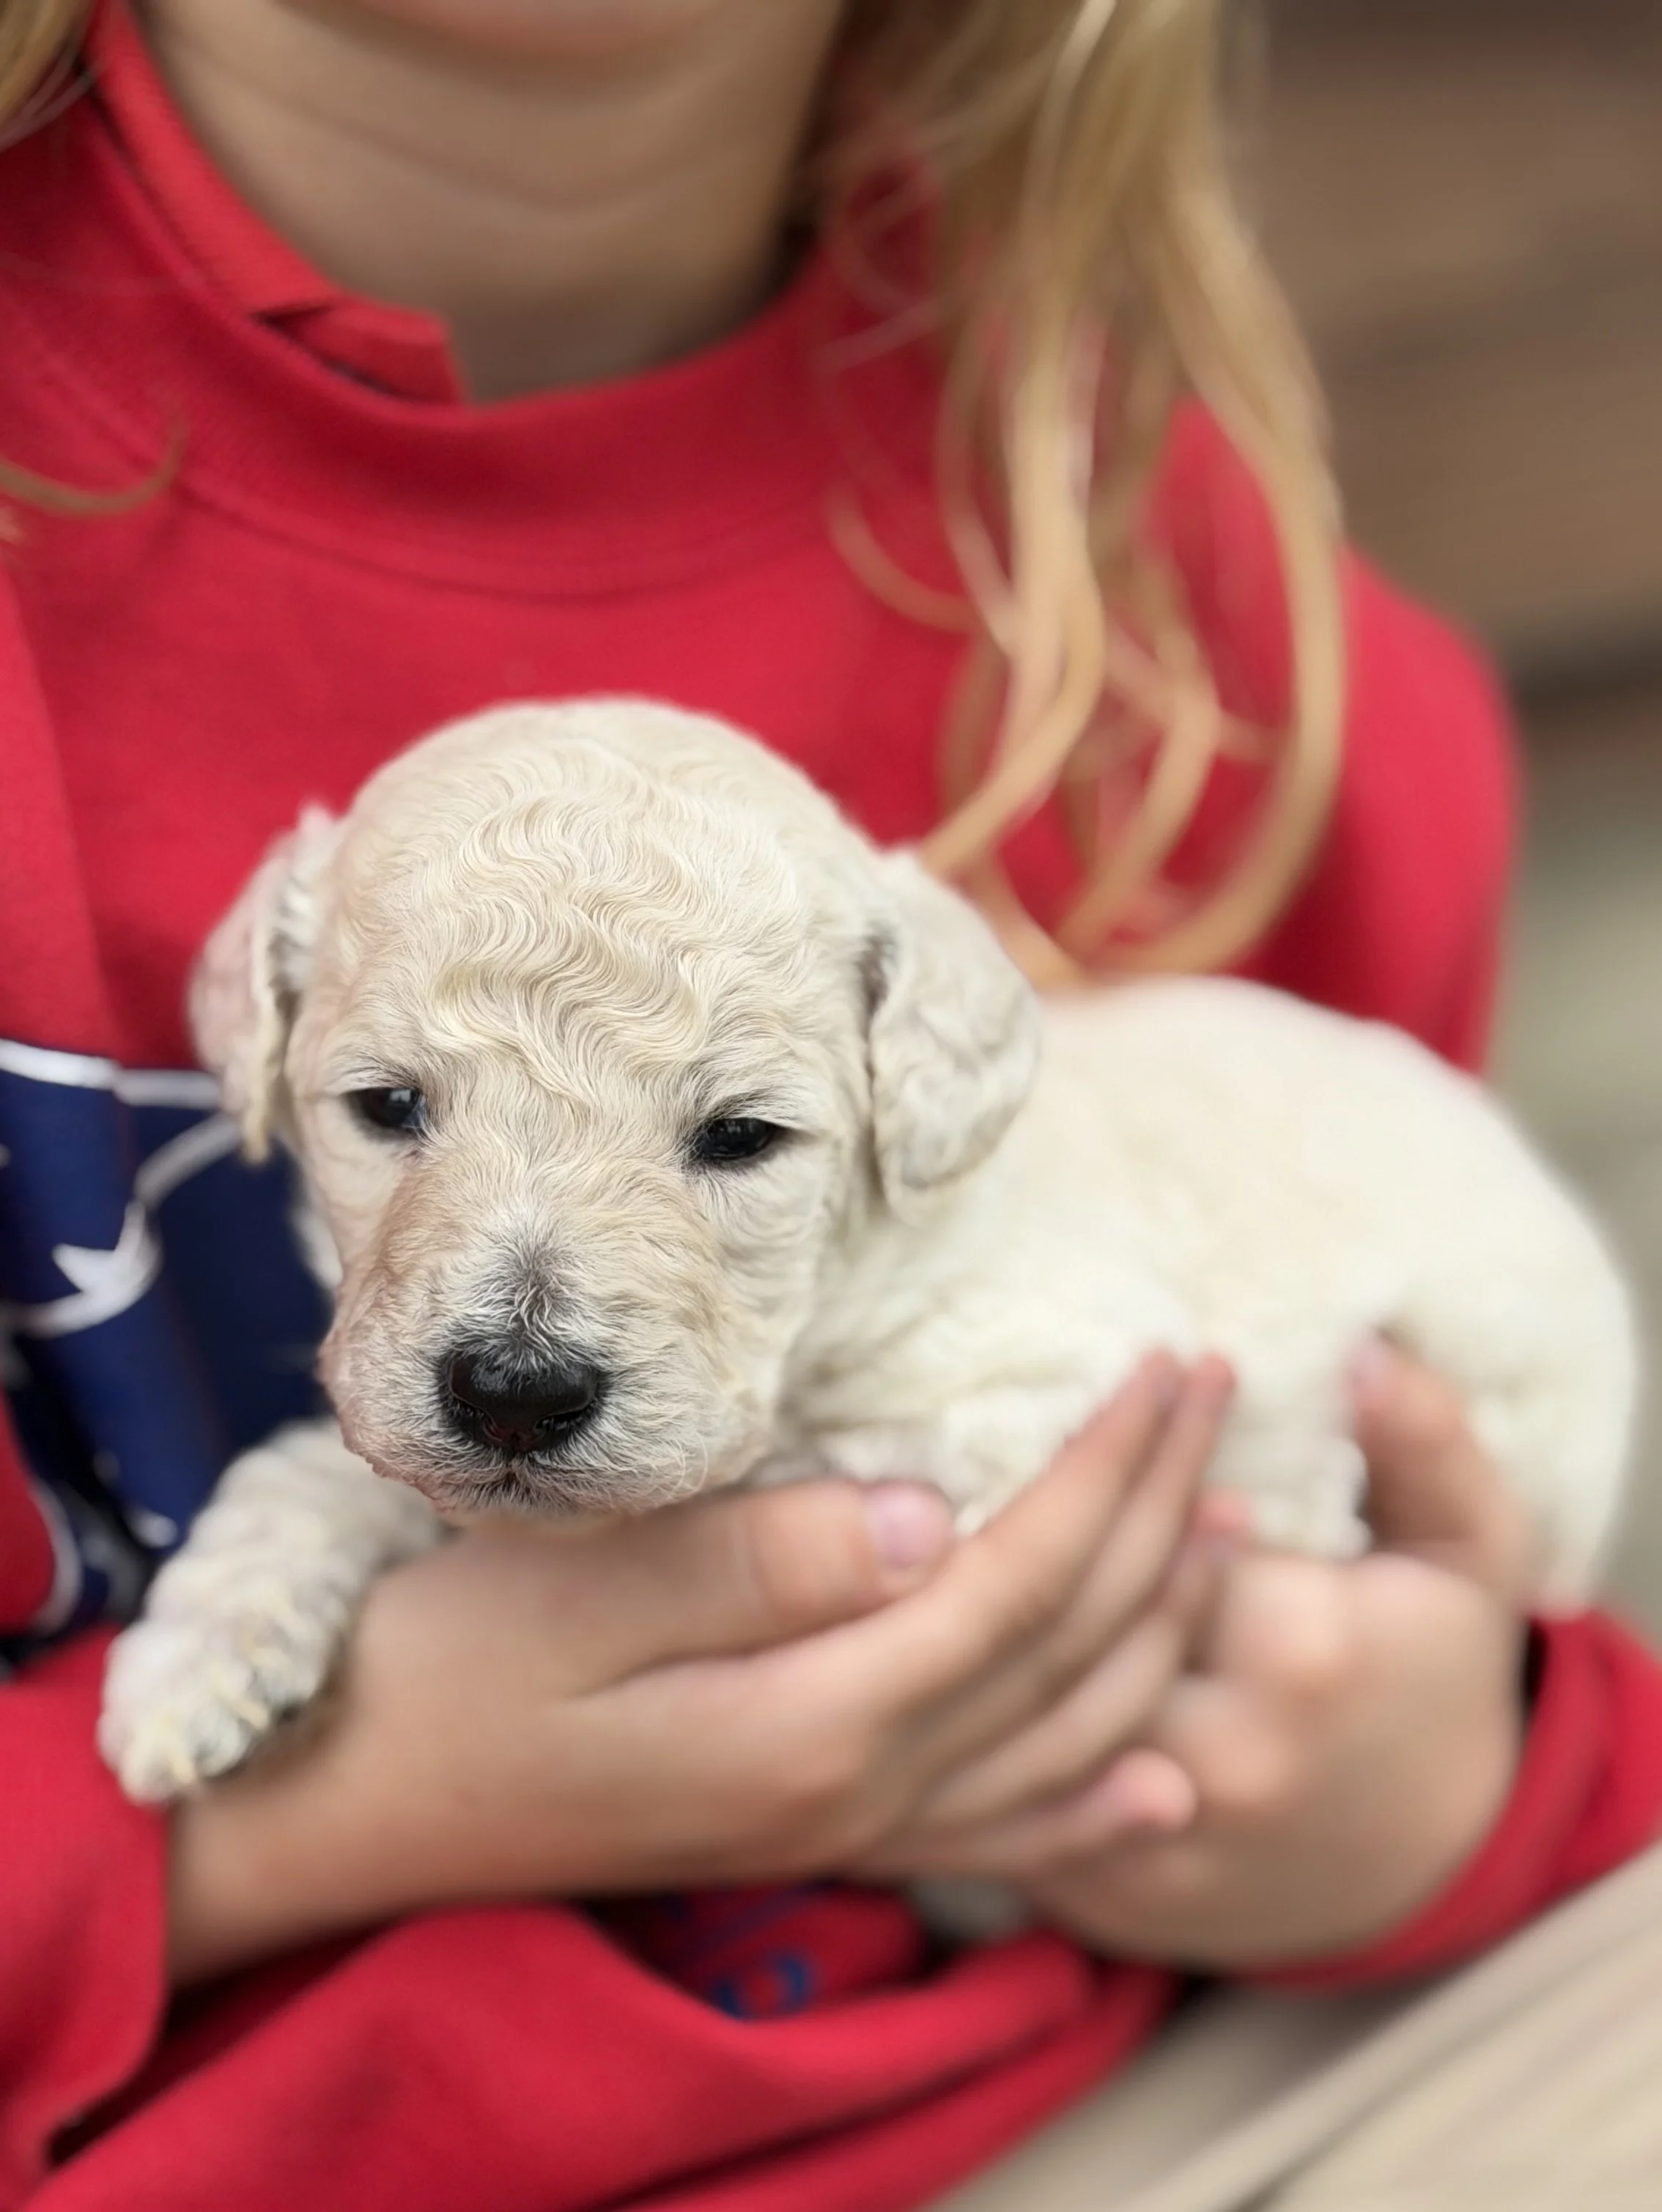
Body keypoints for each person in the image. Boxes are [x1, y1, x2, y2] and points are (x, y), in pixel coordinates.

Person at [0, 4, 1657, 2208]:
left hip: (1122, 2089)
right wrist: (316, 1819)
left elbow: (1437, 1543)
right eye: (390, 1103)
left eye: (736, 1133)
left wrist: (1450, 1788)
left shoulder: (1194, 615)